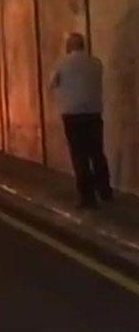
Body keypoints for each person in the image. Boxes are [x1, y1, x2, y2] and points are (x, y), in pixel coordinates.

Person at [49, 32, 113, 208]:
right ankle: (105, 190)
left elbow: (51, 83)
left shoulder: (62, 64)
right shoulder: (96, 63)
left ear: (69, 46)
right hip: (93, 113)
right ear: (84, 45)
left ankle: (87, 197)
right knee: (97, 153)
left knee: (79, 156)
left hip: (73, 116)